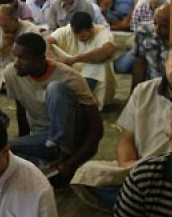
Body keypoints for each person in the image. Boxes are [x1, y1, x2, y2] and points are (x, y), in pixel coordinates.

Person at [71, 41, 172, 209]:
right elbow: (126, 139)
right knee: (86, 174)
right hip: (143, 169)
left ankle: (144, 205)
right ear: (165, 64)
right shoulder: (144, 90)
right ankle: (154, 205)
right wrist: (128, 165)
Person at [6, 32, 103, 180]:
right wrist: (23, 142)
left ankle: (61, 158)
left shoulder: (69, 77)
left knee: (56, 89)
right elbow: (21, 109)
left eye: (23, 57)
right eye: (14, 55)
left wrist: (72, 161)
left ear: (41, 58)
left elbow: (96, 128)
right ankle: (51, 169)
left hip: (72, 141)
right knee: (3, 150)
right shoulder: (12, 73)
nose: (16, 62)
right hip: (42, 137)